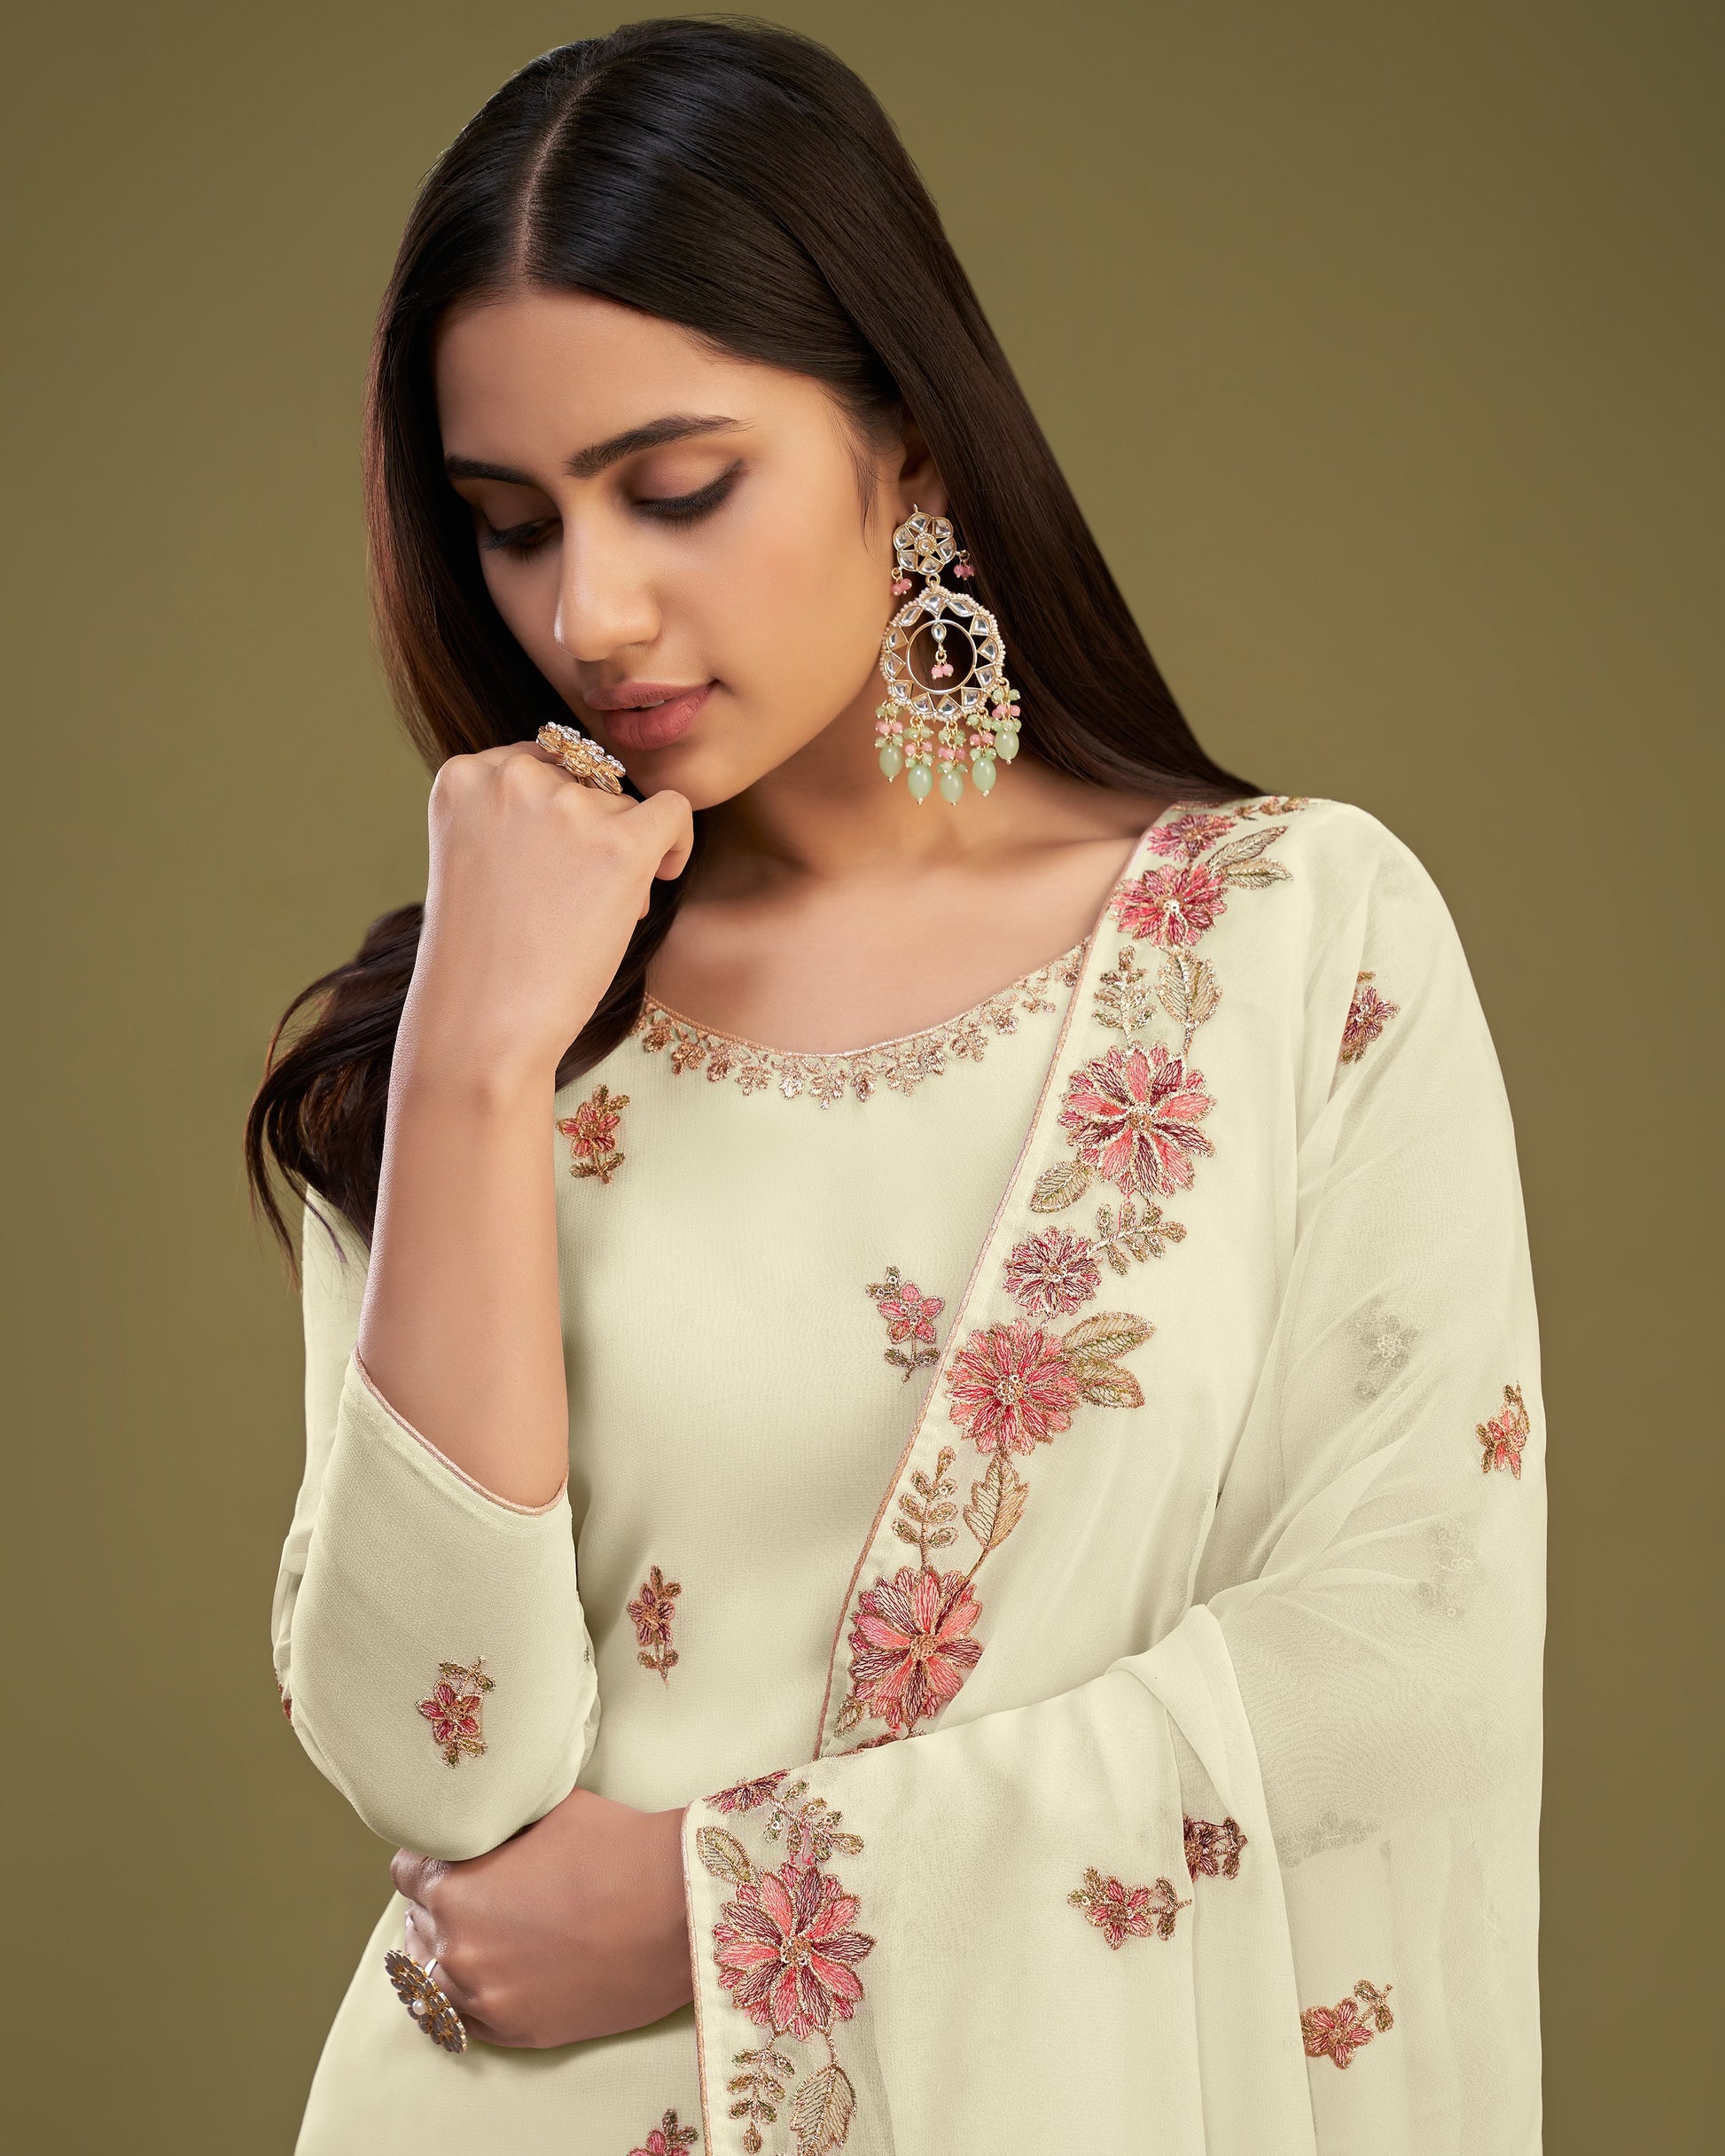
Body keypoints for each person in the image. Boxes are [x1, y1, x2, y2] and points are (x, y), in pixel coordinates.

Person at [246, 19, 1544, 2154]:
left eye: (677, 489)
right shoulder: (473, 1036)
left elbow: (1400, 1666)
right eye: (508, 522)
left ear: (911, 447)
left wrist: (721, 1904)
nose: (592, 608)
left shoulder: (1287, 939)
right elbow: (437, 1761)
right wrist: (474, 1055)